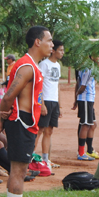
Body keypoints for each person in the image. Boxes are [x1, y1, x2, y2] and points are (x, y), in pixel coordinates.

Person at [0, 25, 54, 197]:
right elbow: (9, 96)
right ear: (37, 42)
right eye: (49, 41)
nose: (52, 45)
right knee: (18, 170)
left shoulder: (32, 66)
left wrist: (4, 119)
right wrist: (3, 118)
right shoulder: (26, 66)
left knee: (19, 170)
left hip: (26, 122)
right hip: (22, 121)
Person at [38, 40, 64, 169]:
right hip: (46, 100)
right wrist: (41, 103)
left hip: (54, 101)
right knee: (39, 130)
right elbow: (39, 85)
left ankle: (45, 159)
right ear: (53, 50)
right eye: (60, 50)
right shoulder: (44, 64)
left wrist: (59, 105)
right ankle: (30, 158)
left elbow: (57, 85)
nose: (62, 53)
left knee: (49, 131)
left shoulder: (58, 65)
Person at [73, 62, 98, 160]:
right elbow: (82, 86)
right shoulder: (88, 68)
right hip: (86, 99)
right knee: (85, 124)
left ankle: (89, 150)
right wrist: (78, 96)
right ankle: (81, 152)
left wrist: (76, 98)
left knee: (92, 124)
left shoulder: (85, 66)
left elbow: (78, 83)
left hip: (88, 99)